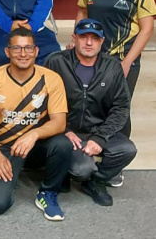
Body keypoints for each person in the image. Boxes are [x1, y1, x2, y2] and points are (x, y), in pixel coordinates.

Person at [0, 28, 72, 221]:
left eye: (28, 48)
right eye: (17, 48)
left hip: (36, 145)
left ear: (36, 51)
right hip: (4, 148)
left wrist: (33, 135)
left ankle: (48, 193)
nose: (23, 54)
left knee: (63, 144)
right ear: (7, 52)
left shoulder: (51, 79)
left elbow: (59, 123)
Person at [46, 19, 136, 206]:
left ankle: (96, 182)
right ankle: (66, 171)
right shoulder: (56, 61)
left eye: (94, 38)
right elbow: (41, 101)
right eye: (83, 37)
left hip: (97, 128)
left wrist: (101, 138)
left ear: (102, 42)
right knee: (81, 169)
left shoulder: (113, 67)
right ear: (74, 38)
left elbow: (121, 107)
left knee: (128, 150)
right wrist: (62, 129)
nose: (88, 43)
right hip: (67, 131)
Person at [75, 0, 155, 140]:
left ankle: (117, 161)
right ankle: (91, 157)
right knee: (92, 108)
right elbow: (83, 12)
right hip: (94, 58)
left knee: (119, 111)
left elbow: (147, 28)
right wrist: (77, 40)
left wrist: (127, 62)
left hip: (123, 59)